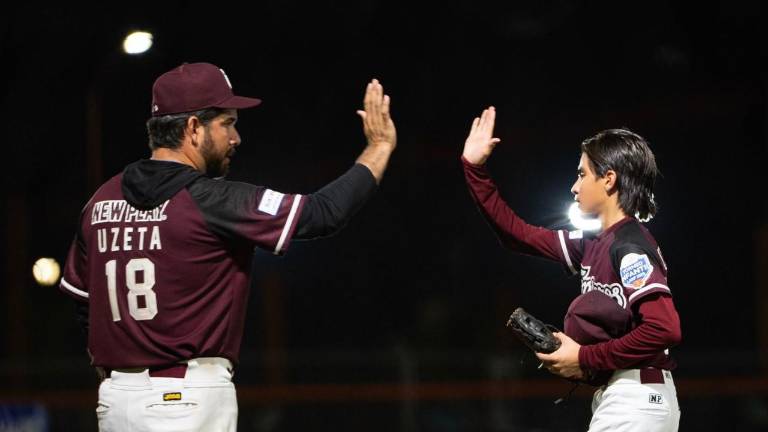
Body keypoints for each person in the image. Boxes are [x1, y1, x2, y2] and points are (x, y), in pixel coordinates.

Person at [58, 62, 397, 431]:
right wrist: (378, 147)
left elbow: (83, 303)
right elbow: (321, 214)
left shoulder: (100, 203)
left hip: (116, 402)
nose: (236, 138)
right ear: (192, 128)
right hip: (187, 398)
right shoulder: (212, 200)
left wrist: (120, 374)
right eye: (227, 123)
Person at [461, 107, 681, 431]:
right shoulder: (593, 242)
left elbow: (664, 329)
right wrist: (474, 168)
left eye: (581, 174)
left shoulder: (630, 247)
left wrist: (584, 358)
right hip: (630, 397)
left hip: (637, 396)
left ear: (609, 179)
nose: (574, 187)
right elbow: (516, 234)